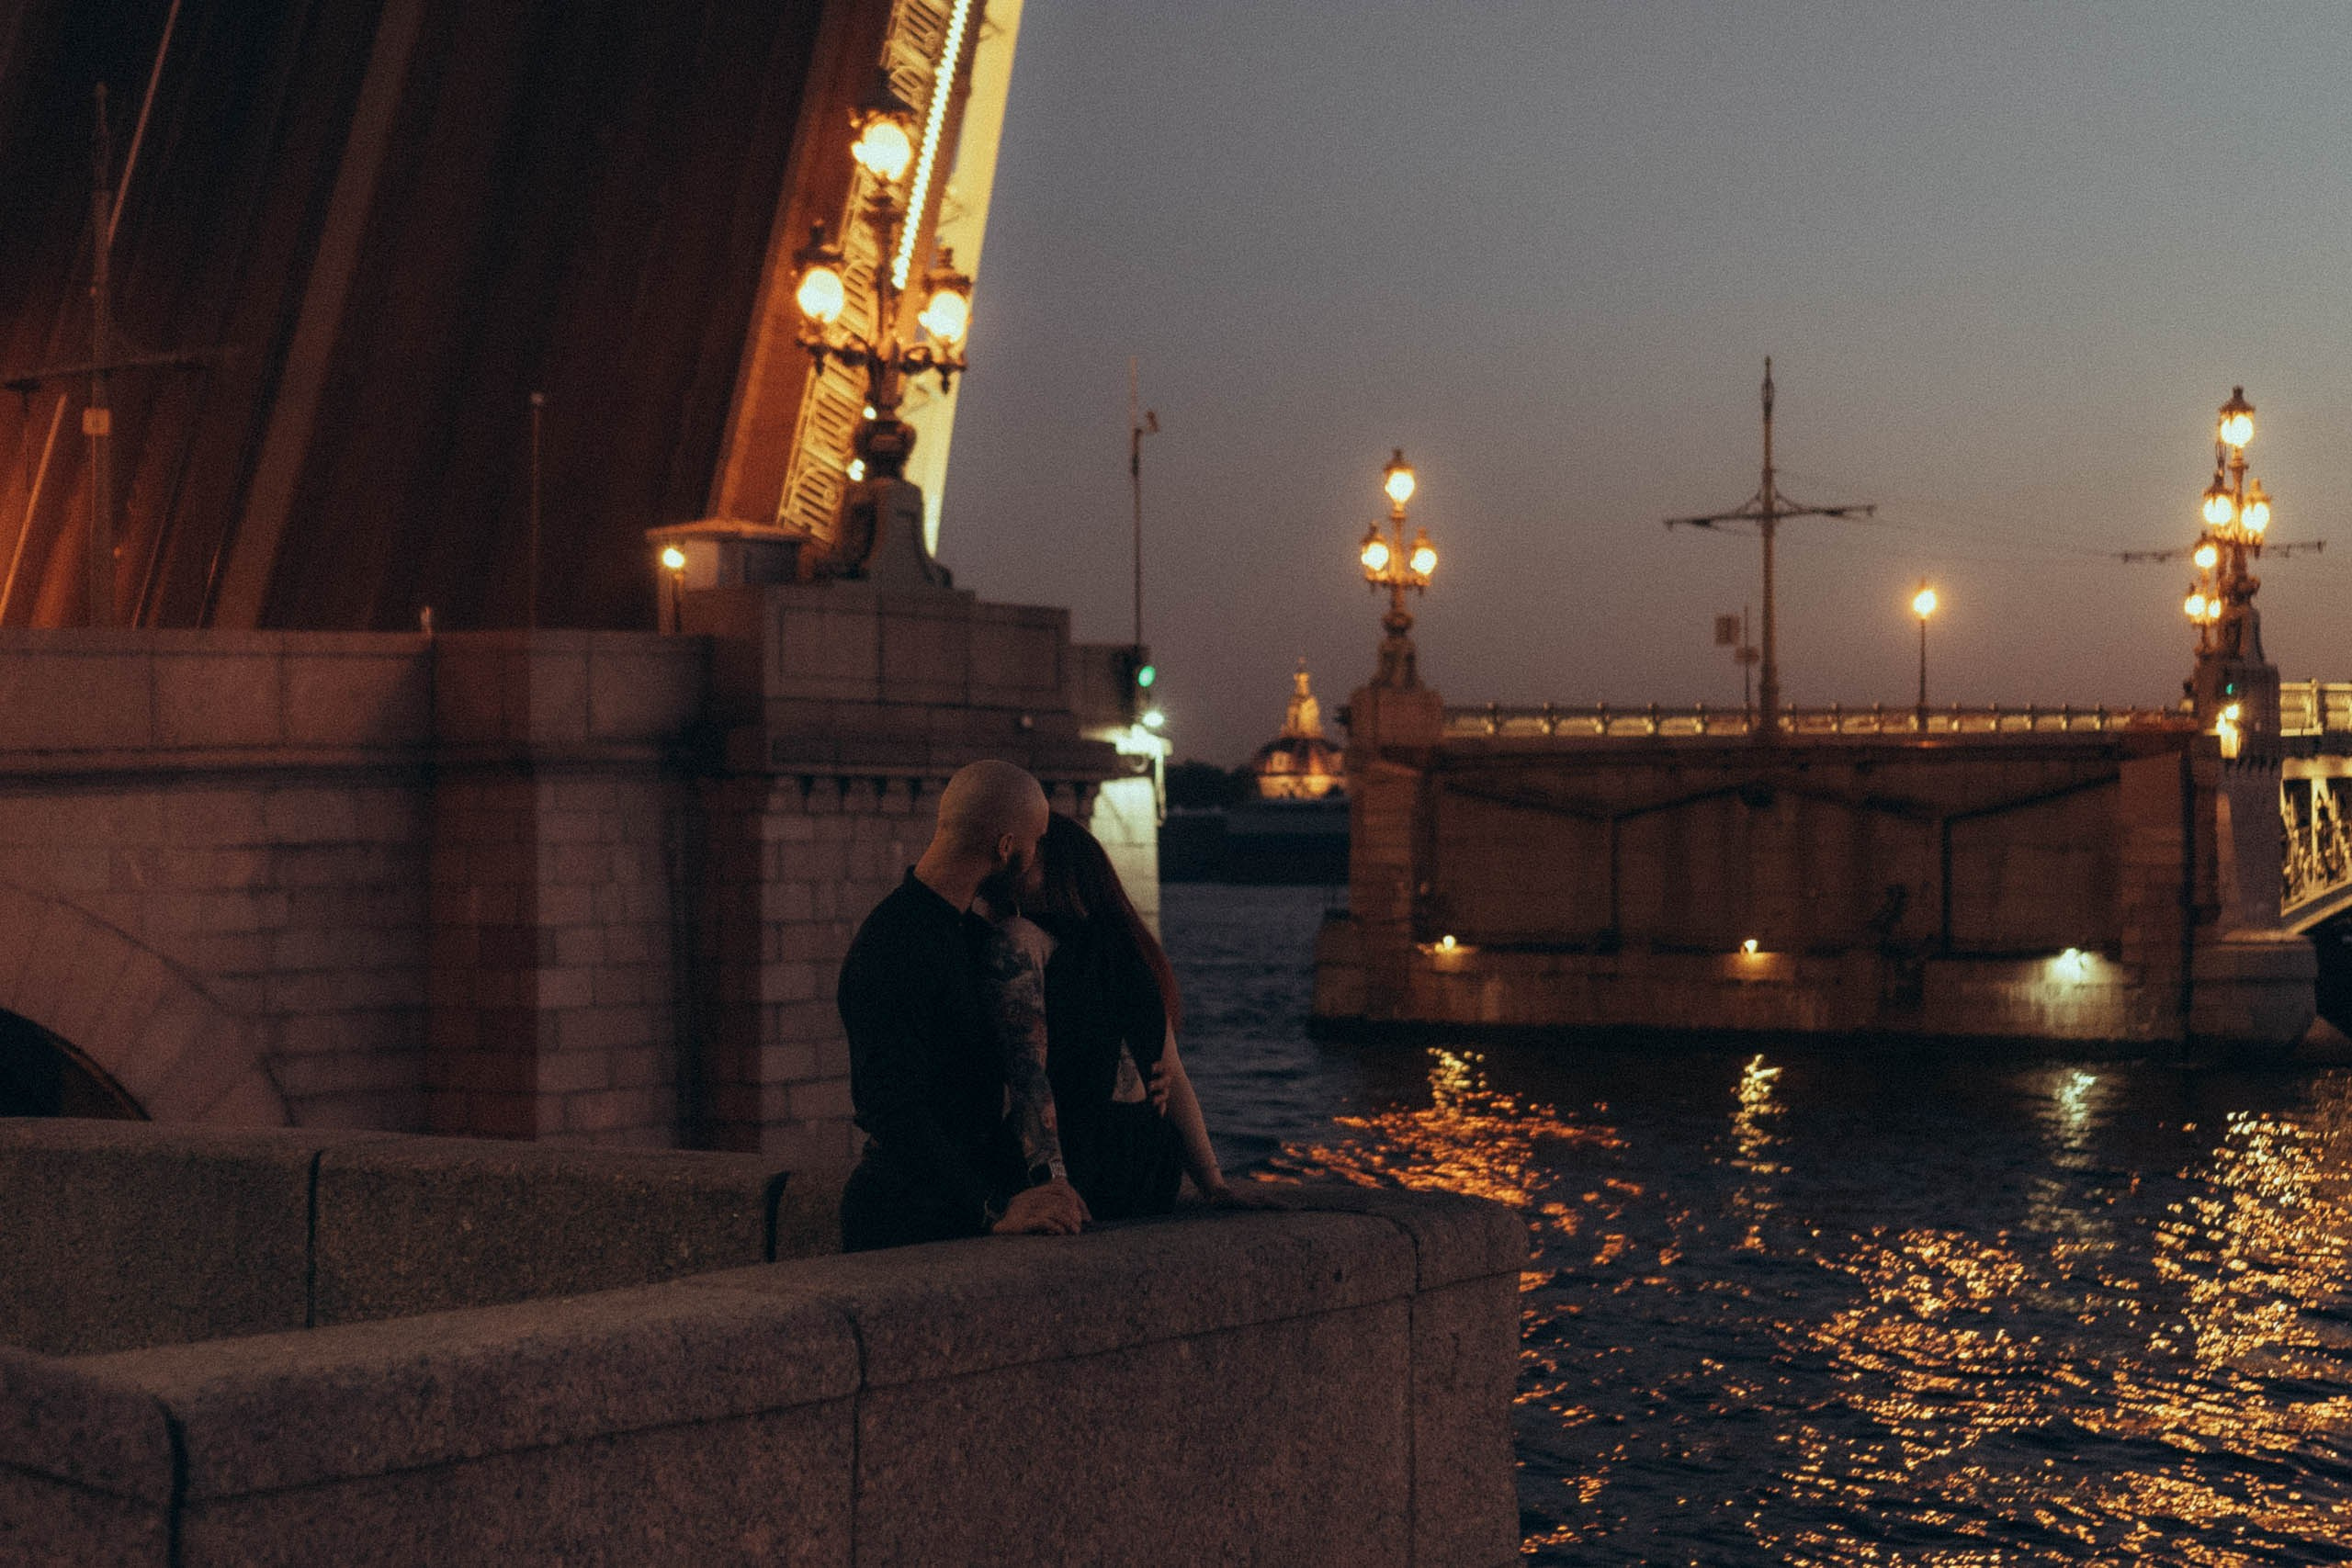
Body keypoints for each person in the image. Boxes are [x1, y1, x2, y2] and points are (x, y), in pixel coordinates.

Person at [836, 760, 1090, 1251]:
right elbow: (890, 1108)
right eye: (1035, 842)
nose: (1038, 856)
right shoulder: (894, 944)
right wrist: (994, 1207)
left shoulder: (957, 935)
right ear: (1006, 847)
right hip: (905, 1223)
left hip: (945, 1209)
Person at [1027, 811, 1245, 1220]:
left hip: (1091, 1171)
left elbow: (1027, 1077)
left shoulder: (1031, 942)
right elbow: (1173, 1072)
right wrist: (1213, 1183)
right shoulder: (1128, 952)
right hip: (1149, 1173)